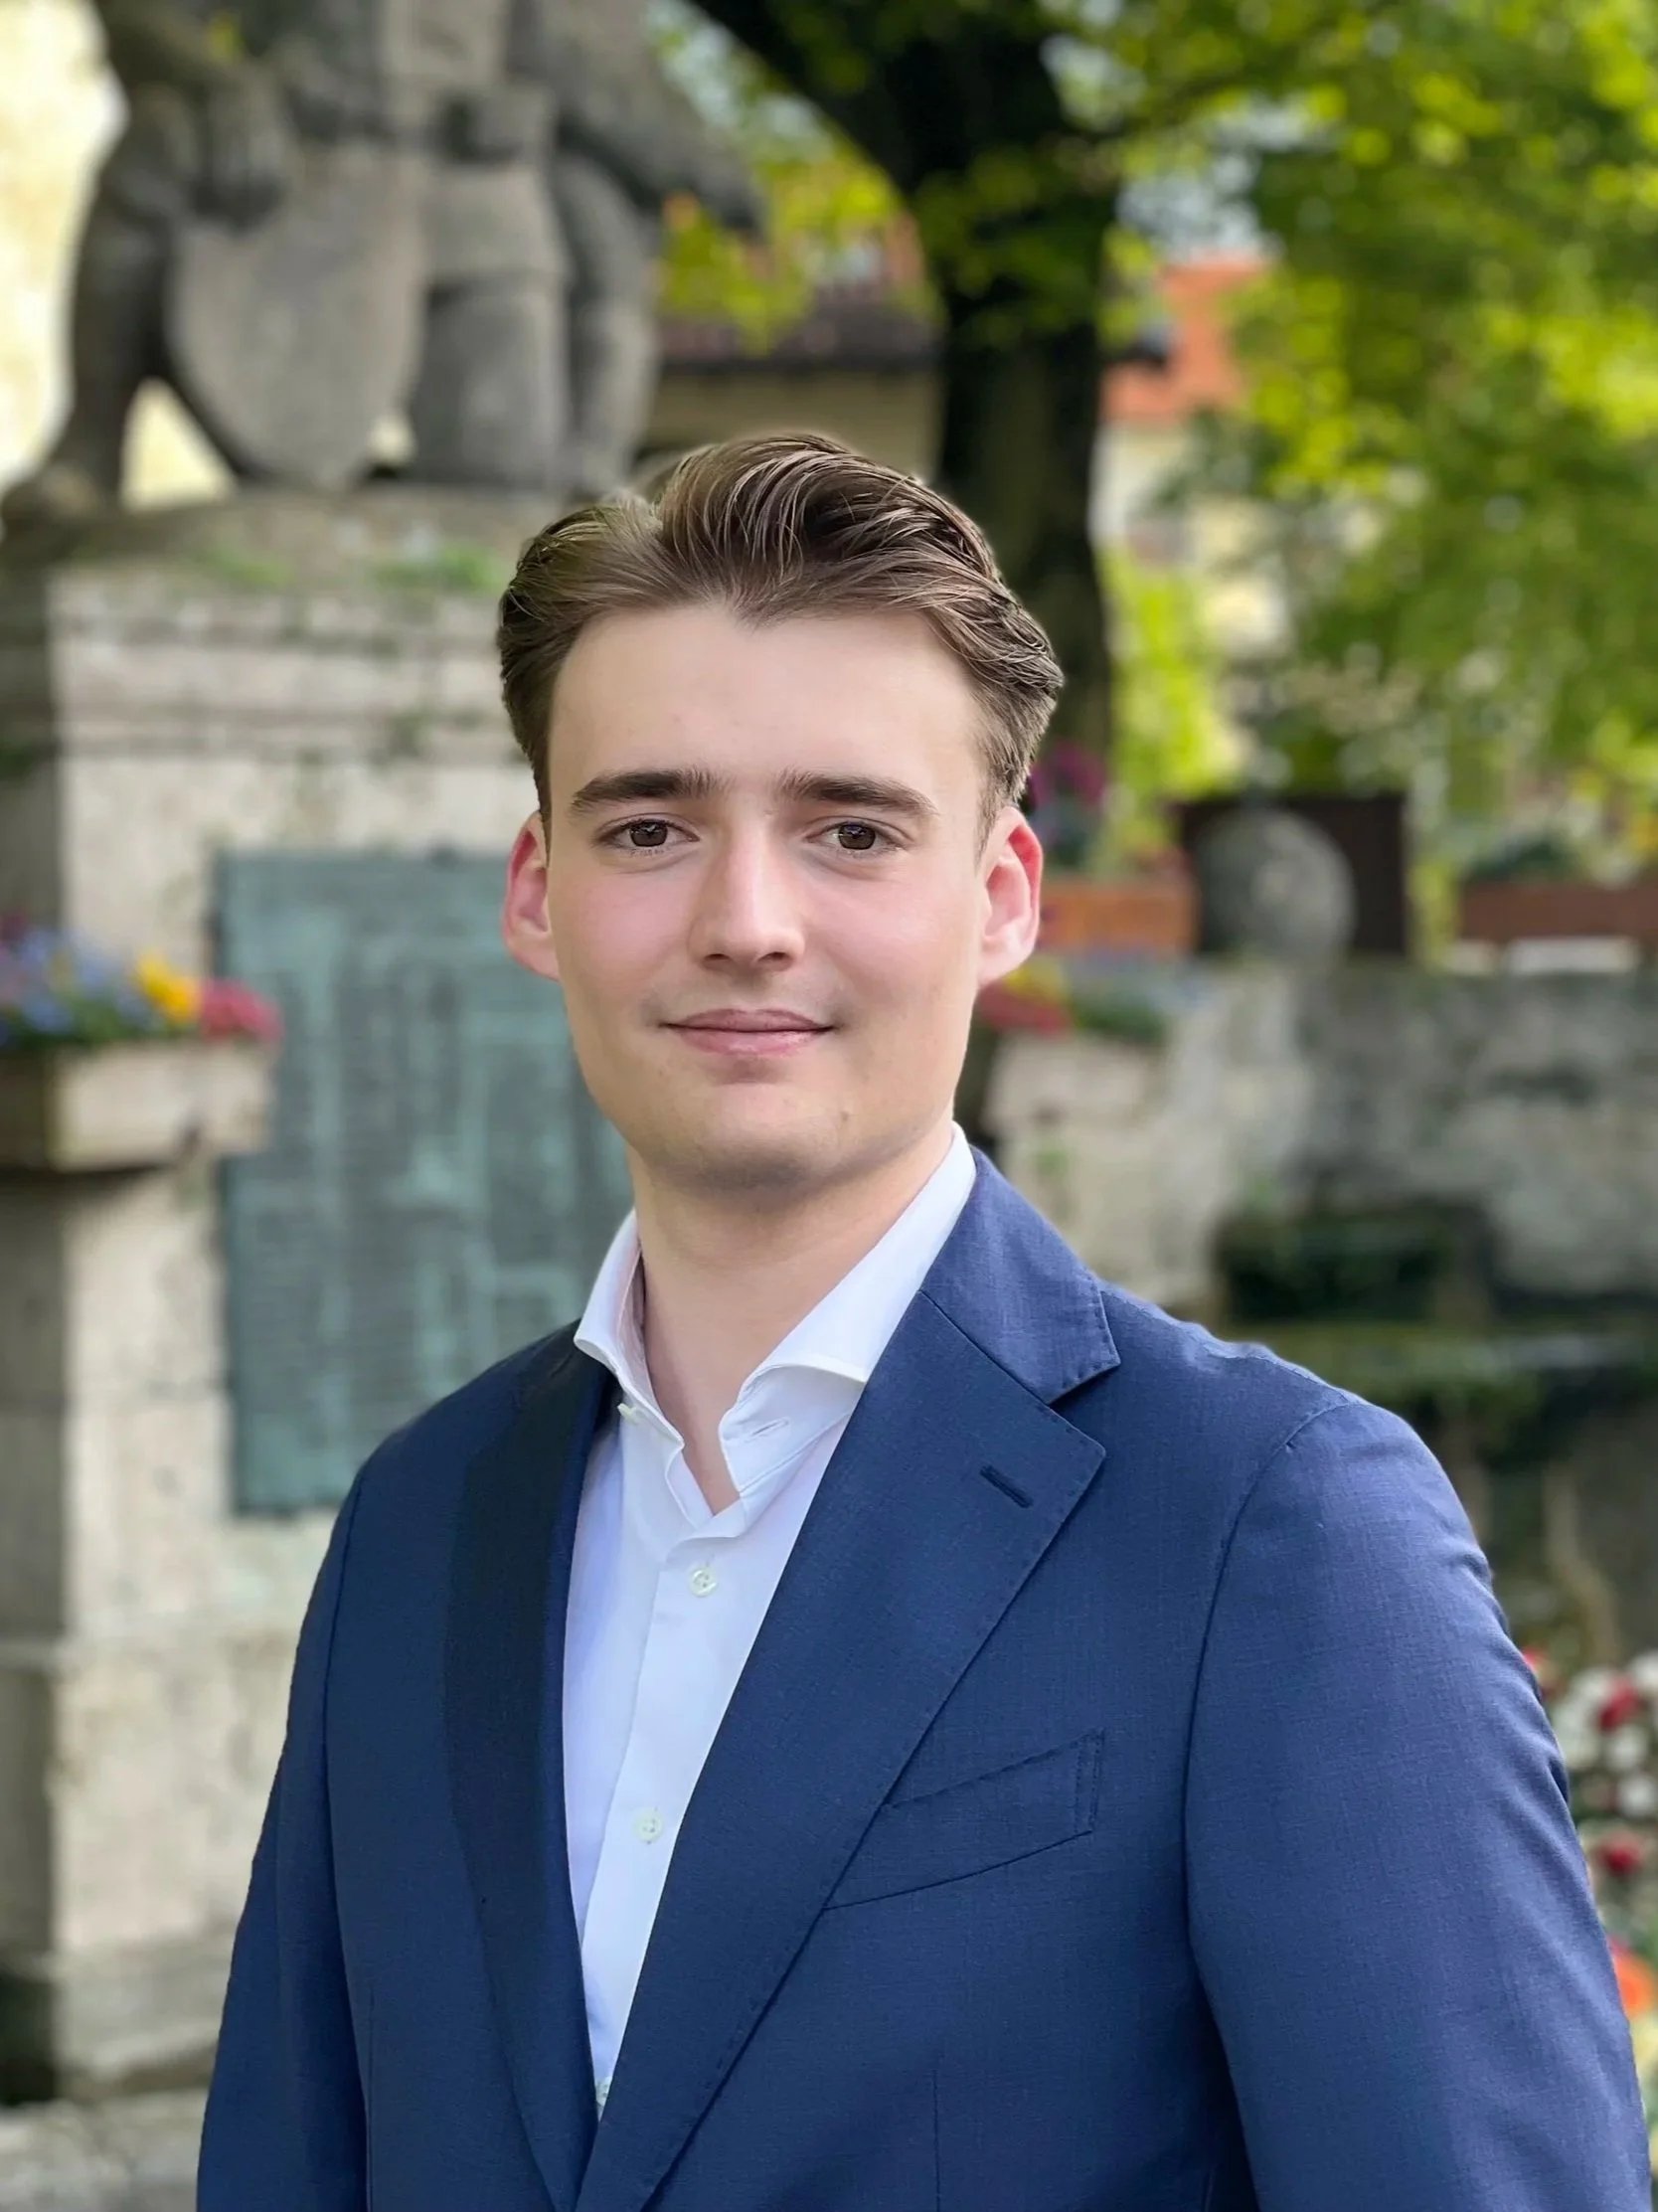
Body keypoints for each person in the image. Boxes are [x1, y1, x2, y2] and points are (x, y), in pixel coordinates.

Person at [197, 431, 1648, 2211]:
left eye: (852, 832)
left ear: (1003, 896)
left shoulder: (1276, 1527)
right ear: (535, 891)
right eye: (649, 828)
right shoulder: (416, 1528)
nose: (745, 921)